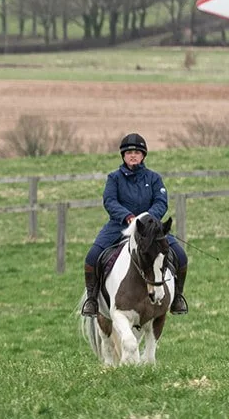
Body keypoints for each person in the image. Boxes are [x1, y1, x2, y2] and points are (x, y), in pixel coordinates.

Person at [80, 132, 188, 317]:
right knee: (92, 257)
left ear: (143, 155)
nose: (133, 155)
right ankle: (91, 300)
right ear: (123, 155)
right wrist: (127, 217)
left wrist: (146, 219)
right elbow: (110, 200)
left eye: (137, 152)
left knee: (181, 256)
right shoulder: (114, 178)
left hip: (151, 229)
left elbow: (161, 202)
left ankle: (177, 297)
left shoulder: (154, 178)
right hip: (119, 226)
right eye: (129, 152)